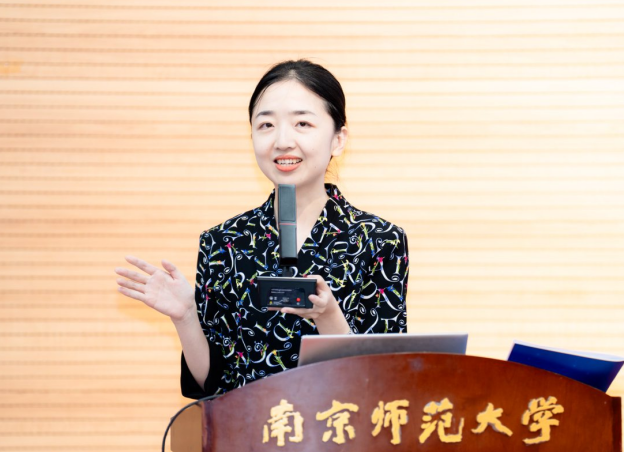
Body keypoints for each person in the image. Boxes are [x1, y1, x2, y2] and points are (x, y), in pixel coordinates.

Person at [115, 60, 409, 399]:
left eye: (302, 123)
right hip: (249, 429)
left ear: (338, 139)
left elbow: (384, 380)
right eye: (266, 124)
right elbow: (214, 385)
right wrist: (185, 317)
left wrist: (328, 315)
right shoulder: (223, 242)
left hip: (339, 426)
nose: (282, 141)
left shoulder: (380, 240)